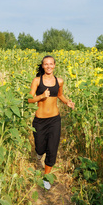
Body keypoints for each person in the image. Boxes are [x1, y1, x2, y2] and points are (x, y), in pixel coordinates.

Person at [28, 55, 75, 190]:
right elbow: (29, 99)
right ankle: (39, 152)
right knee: (40, 147)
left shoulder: (59, 81)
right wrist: (41, 96)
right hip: (39, 120)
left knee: (52, 149)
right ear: (42, 66)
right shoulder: (37, 81)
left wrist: (67, 102)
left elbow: (59, 95)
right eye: (46, 64)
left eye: (51, 64)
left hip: (55, 119)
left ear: (54, 65)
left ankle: (46, 177)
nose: (49, 66)